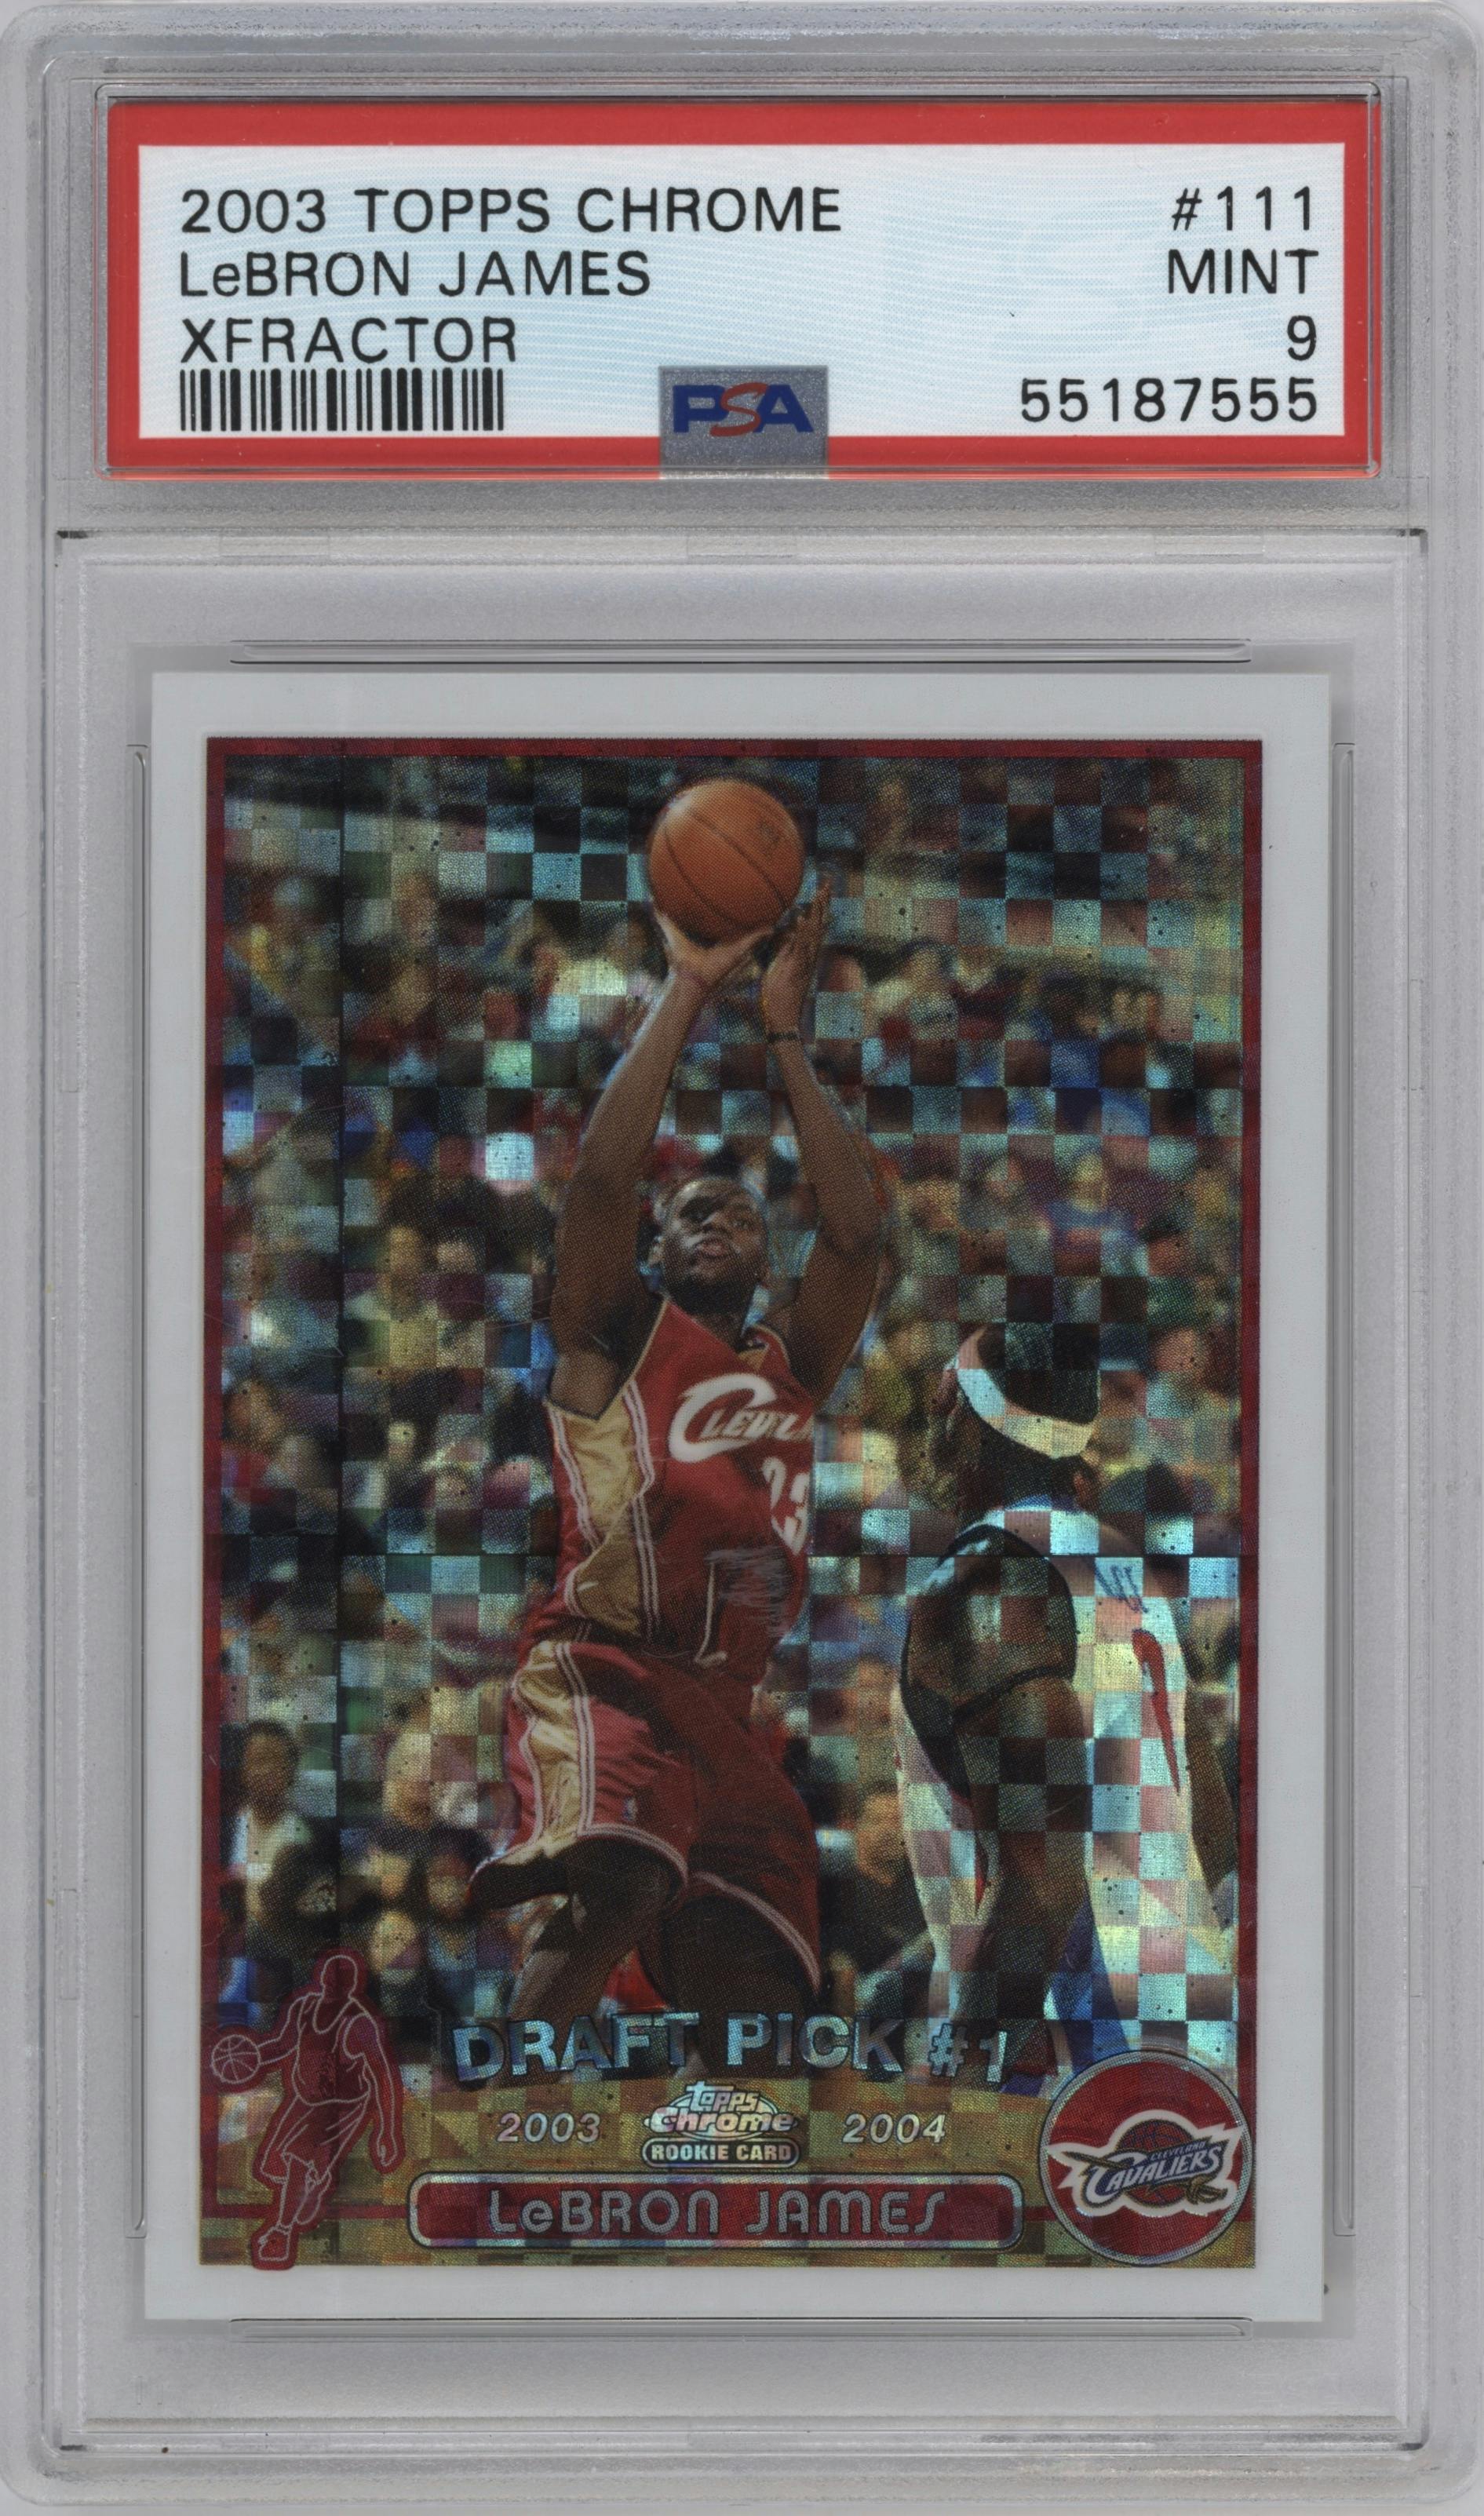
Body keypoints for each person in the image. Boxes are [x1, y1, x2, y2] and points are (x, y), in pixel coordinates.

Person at [473, 884, 883, 2063]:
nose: (712, 1221)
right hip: (604, 1665)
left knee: (759, 1975)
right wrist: (689, 989)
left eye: (737, 1216)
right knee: (625, 1877)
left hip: (726, 1711)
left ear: (764, 1259)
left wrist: (785, 1034)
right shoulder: (613, 1332)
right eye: (689, 1212)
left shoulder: (791, 1365)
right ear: (653, 1250)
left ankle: (720, 2152)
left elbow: (857, 1234)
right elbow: (602, 1186)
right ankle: (503, 2120)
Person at [895, 1321, 1236, 2084]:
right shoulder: (1116, 1562)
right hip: (1187, 2017)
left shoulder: (985, 1582)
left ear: (967, 1418)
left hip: (1064, 2042)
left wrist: (965, 2059)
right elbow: (1207, 1826)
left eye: (942, 1395)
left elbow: (1045, 1879)